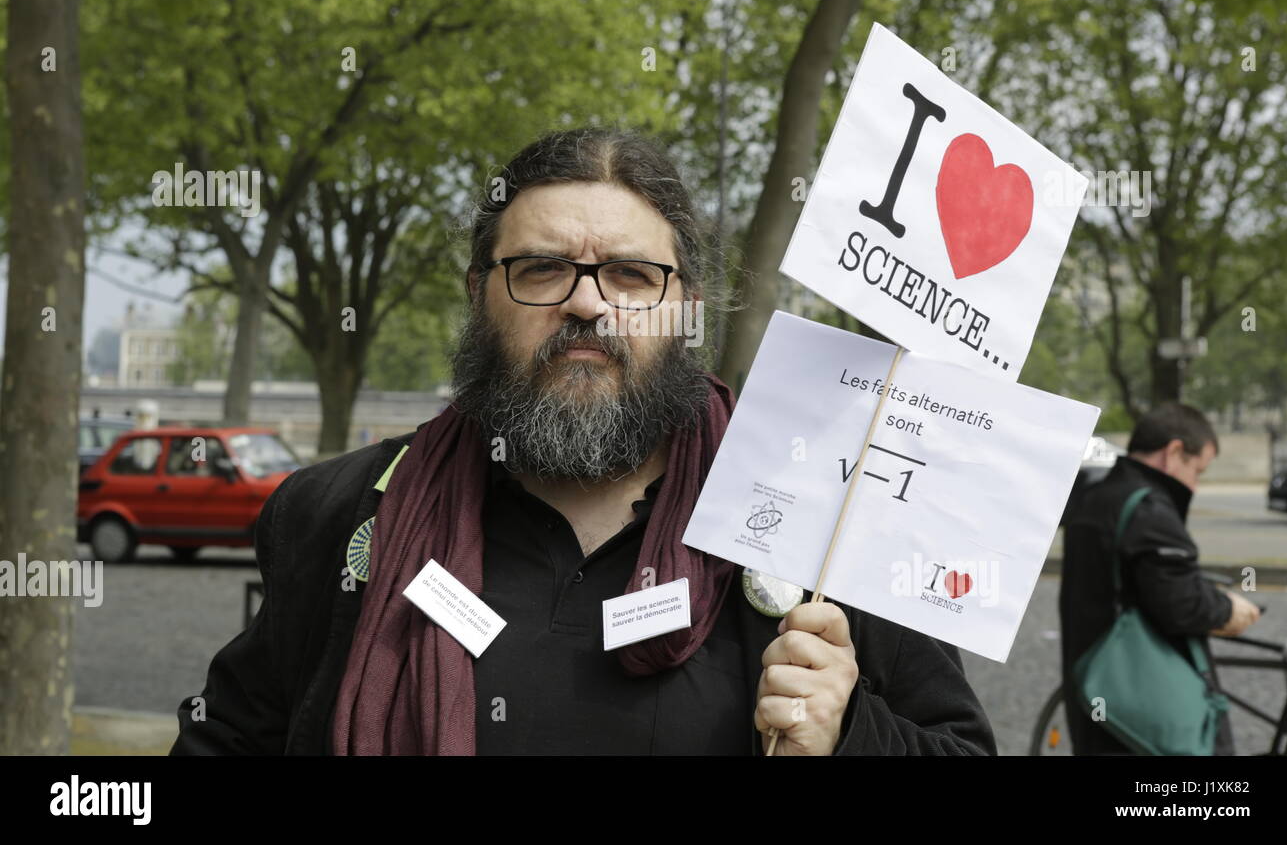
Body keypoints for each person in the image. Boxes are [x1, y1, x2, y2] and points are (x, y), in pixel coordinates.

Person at [171, 126, 996, 756]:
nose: (589, 306)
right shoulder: (338, 514)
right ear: (479, 296)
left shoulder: (829, 517)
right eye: (540, 270)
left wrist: (852, 733)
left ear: (687, 309)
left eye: (633, 276)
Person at [1059, 402, 1260, 755]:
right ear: (1174, 452)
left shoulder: (1097, 497)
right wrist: (1227, 608)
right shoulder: (1148, 508)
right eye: (1198, 472)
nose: (1195, 487)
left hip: (1098, 689)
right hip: (1142, 711)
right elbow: (1181, 603)